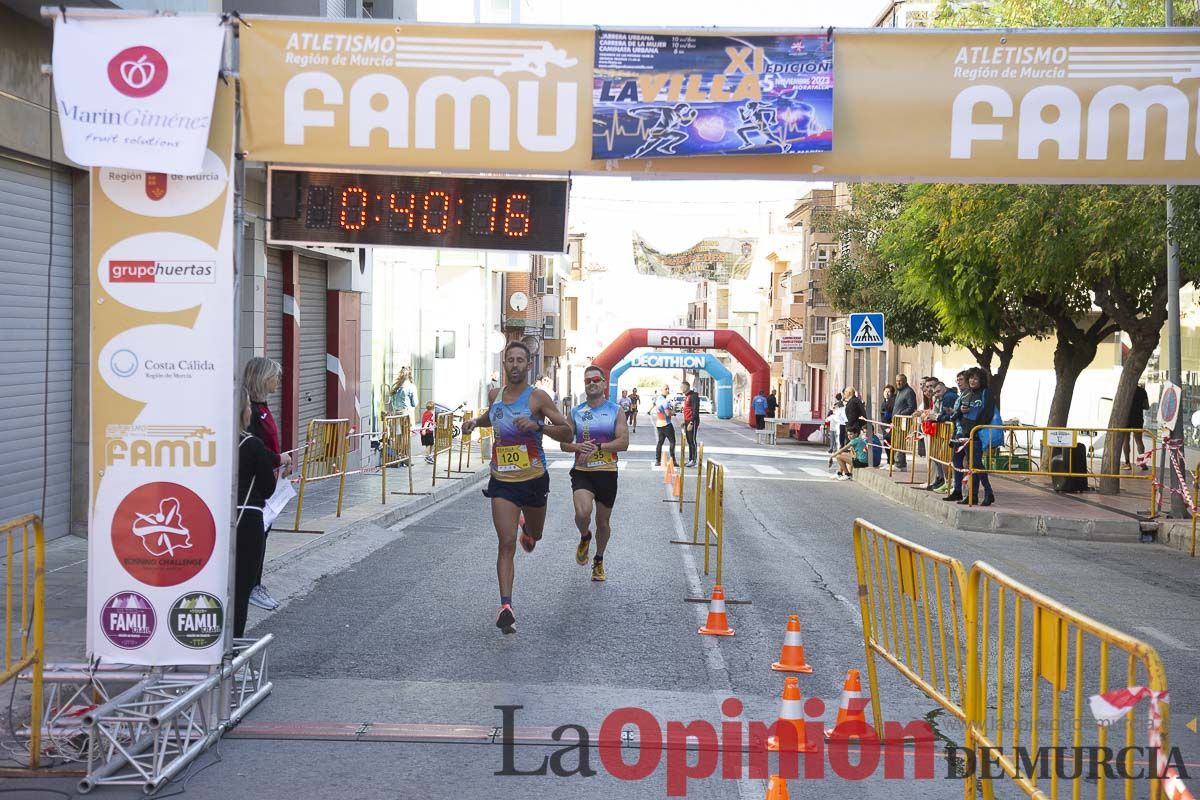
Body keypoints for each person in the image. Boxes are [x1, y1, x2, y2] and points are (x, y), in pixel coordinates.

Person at [460, 341, 574, 634]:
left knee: (536, 534)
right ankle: (506, 606)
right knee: (506, 543)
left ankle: (529, 530)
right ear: (504, 364)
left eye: (520, 360)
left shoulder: (537, 398)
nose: (514, 365)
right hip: (503, 481)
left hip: (534, 479)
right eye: (509, 360)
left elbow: (567, 429)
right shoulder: (494, 395)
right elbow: (492, 416)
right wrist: (476, 421)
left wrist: (538, 427)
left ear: (528, 364)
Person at [561, 365, 630, 582]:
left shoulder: (615, 411)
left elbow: (623, 442)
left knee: (603, 522)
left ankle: (599, 559)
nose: (592, 383)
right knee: (583, 513)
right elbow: (564, 443)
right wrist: (577, 447)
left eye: (596, 380)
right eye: (588, 381)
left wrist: (599, 447)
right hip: (583, 471)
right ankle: (584, 536)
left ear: (603, 383)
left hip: (607, 472)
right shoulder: (576, 412)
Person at [242, 357, 291, 612]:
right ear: (263, 378)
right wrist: (276, 458)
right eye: (275, 376)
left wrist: (282, 461)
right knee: (255, 537)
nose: (278, 380)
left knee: (263, 534)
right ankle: (250, 586)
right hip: (254, 486)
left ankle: (256, 584)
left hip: (270, 480)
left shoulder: (263, 408)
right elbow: (255, 447)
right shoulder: (250, 411)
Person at [235, 389, 277, 638]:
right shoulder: (252, 445)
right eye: (249, 406)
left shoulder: (209, 443)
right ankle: (232, 648)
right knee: (241, 589)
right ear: (243, 411)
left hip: (212, 520)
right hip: (247, 520)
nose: (251, 410)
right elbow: (268, 488)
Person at [949, 367, 996, 506]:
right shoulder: (966, 393)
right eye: (971, 378)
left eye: (976, 378)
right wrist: (961, 411)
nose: (972, 381)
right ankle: (968, 494)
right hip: (962, 433)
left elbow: (987, 413)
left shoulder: (985, 393)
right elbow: (956, 413)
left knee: (976, 464)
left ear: (981, 380)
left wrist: (976, 427)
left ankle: (988, 492)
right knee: (965, 463)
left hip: (976, 433)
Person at [1122, 383, 1150, 471]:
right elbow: (1146, 406)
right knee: (1139, 441)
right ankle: (1142, 463)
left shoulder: (1124, 390)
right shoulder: (1142, 391)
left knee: (1126, 440)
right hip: (1138, 419)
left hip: (1126, 419)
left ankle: (1127, 463)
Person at [892, 374, 918, 470]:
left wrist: (900, 413)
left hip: (903, 421)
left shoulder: (909, 392)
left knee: (900, 441)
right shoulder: (900, 391)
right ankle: (898, 463)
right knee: (897, 441)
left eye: (900, 381)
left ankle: (900, 464)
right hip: (897, 421)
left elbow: (912, 407)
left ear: (905, 381)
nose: (898, 382)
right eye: (897, 380)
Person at [652, 384, 678, 466]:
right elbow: (668, 413)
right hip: (666, 424)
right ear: (661, 390)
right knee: (672, 442)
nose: (667, 390)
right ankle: (673, 460)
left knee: (660, 442)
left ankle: (657, 460)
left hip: (659, 424)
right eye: (666, 389)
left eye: (668, 388)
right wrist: (673, 410)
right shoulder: (665, 401)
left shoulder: (658, 399)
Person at [681, 380, 700, 467]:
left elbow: (695, 410)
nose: (681, 388)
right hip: (687, 421)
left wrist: (691, 422)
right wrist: (685, 422)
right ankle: (690, 459)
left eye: (682, 387)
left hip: (693, 421)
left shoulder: (693, 396)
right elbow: (687, 410)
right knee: (688, 441)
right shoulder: (686, 396)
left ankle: (694, 460)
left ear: (686, 387)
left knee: (692, 440)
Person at [879, 384, 896, 465]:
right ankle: (889, 461)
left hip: (890, 427)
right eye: (885, 391)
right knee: (886, 444)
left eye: (889, 392)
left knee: (891, 445)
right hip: (884, 427)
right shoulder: (883, 402)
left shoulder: (893, 402)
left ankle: (891, 462)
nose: (887, 393)